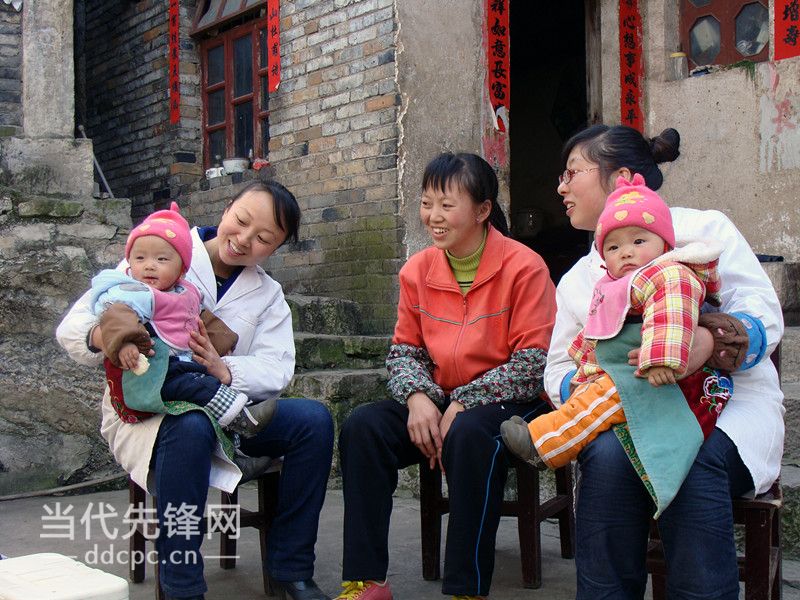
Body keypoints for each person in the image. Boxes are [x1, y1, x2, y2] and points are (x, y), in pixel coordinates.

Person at [57, 180, 334, 600]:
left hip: (232, 408)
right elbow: (73, 328)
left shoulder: (269, 295)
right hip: (153, 413)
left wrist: (224, 368)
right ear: (226, 210)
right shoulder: (160, 249)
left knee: (313, 421)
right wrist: (113, 337)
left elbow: (278, 369)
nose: (243, 240)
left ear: (274, 249)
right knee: (190, 426)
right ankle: (183, 588)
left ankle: (292, 571)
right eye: (240, 222)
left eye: (262, 239)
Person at [543, 124, 783, 599]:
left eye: (572, 173)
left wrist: (709, 343)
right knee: (607, 459)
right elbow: (556, 370)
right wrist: (603, 389)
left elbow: (764, 317)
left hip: (728, 410)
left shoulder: (705, 232)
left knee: (689, 456)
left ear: (622, 177)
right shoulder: (577, 279)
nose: (561, 187)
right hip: (625, 420)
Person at [335, 152, 557, 600]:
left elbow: (533, 364)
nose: (433, 217)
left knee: (470, 435)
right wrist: (418, 397)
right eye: (426, 203)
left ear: (482, 210)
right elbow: (404, 352)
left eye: (446, 205)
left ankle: (466, 589)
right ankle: (367, 581)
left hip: (512, 398)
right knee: (363, 427)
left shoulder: (524, 266)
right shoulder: (417, 270)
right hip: (439, 393)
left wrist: (462, 402)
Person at [502, 174, 727, 480]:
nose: (626, 252)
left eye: (639, 240)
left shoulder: (670, 273)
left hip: (662, 378)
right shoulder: (613, 285)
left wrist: (662, 358)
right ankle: (545, 439)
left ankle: (543, 445)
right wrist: (584, 366)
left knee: (598, 405)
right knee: (593, 400)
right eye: (613, 246)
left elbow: (672, 312)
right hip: (632, 373)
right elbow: (597, 330)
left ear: (664, 244)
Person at [88, 201, 276, 436]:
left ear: (182, 269)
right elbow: (117, 317)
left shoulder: (185, 292)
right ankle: (238, 416)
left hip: (181, 363)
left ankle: (234, 435)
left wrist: (224, 343)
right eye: (139, 258)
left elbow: (199, 319)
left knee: (201, 379)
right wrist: (124, 343)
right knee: (195, 385)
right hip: (152, 371)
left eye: (162, 260)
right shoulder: (132, 291)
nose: (149, 266)